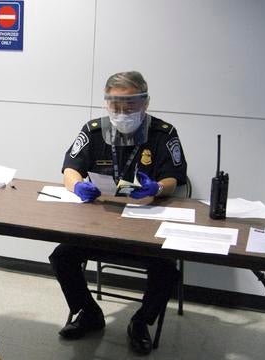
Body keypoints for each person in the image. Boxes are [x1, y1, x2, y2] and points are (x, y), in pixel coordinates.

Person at [49, 71, 187, 355]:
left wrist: (158, 187)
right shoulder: (94, 129)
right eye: (115, 106)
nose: (122, 112)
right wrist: (76, 186)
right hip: (102, 224)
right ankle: (89, 313)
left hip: (145, 225)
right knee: (62, 256)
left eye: (129, 105)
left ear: (145, 103)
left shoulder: (164, 133)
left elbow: (175, 179)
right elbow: (70, 168)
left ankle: (140, 322)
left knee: (165, 269)